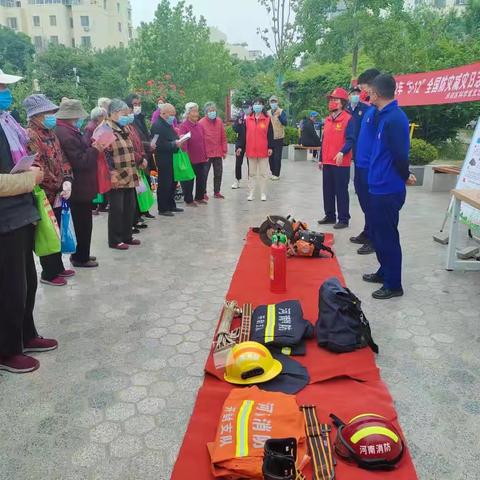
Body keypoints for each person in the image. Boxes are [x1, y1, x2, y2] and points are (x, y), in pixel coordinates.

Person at [0, 69, 58, 374]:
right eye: (1, 87)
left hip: (20, 213)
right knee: (9, 286)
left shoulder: (7, 123)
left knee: (26, 281)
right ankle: (7, 350)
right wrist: (29, 178)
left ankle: (26, 334)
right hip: (5, 218)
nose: (5, 92)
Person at [362, 74, 416, 300]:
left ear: (377, 93)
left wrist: (405, 176)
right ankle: (384, 271)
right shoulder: (382, 115)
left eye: (370, 93)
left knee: (387, 237)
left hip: (388, 188)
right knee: (380, 234)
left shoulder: (395, 118)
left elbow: (400, 155)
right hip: (377, 185)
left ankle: (394, 284)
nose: (368, 96)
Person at [24, 94, 75, 286]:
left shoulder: (50, 132)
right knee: (48, 232)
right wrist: (56, 184)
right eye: (47, 113)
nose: (51, 115)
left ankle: (58, 267)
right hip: (45, 192)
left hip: (59, 191)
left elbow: (61, 158)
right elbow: (36, 165)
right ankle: (49, 272)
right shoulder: (31, 134)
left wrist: (67, 179)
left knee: (57, 229)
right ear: (36, 115)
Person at [56, 97, 101, 268]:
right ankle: (80, 257)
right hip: (79, 186)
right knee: (82, 223)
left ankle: (83, 253)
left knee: (83, 222)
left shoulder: (68, 130)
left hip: (81, 185)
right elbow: (81, 161)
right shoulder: (65, 133)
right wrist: (95, 149)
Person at [347, 75, 378, 255]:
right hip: (359, 160)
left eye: (365, 89)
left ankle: (374, 237)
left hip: (369, 164)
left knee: (371, 203)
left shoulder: (371, 111)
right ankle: (367, 232)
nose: (362, 93)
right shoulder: (370, 110)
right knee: (363, 200)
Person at [105, 99, 140, 249]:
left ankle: (127, 235)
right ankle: (115, 239)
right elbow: (105, 154)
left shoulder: (124, 127)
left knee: (129, 207)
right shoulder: (106, 129)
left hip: (129, 173)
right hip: (117, 175)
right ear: (113, 113)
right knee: (117, 209)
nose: (127, 116)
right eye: (124, 113)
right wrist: (111, 172)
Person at [318, 88, 355, 230]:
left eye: (335, 100)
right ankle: (330, 215)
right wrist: (321, 158)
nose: (332, 103)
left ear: (342, 103)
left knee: (341, 190)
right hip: (327, 161)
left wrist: (342, 152)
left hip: (341, 163)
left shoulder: (348, 119)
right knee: (327, 190)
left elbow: (351, 140)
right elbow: (324, 140)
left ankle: (344, 219)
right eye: (331, 100)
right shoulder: (327, 120)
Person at [151, 103, 187, 216]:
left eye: (174, 114)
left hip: (172, 157)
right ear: (163, 113)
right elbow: (157, 145)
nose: (173, 117)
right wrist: (173, 144)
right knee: (164, 183)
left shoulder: (167, 124)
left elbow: (172, 137)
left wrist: (179, 139)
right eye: (171, 114)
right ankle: (163, 208)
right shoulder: (157, 125)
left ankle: (171, 204)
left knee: (173, 182)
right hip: (163, 158)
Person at [237, 98, 274, 202]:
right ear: (253, 106)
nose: (257, 106)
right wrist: (240, 147)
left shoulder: (267, 119)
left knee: (263, 174)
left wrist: (270, 147)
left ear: (262, 106)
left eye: (259, 104)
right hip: (251, 150)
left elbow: (270, 134)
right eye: (255, 104)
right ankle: (251, 193)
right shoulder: (248, 119)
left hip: (263, 151)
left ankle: (263, 193)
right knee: (251, 174)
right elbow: (243, 135)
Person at [126, 93, 155, 219]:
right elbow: (133, 142)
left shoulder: (140, 118)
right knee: (139, 187)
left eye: (139, 104)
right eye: (134, 105)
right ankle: (138, 214)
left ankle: (145, 210)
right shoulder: (129, 122)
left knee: (146, 183)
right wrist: (148, 145)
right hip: (137, 157)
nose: (137, 107)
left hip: (145, 154)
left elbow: (142, 136)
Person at [178, 102, 209, 206]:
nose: (196, 113)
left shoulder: (200, 125)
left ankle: (199, 197)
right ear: (188, 113)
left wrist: (206, 153)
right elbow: (183, 143)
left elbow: (203, 140)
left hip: (201, 157)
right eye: (194, 111)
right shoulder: (184, 126)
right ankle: (189, 200)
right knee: (189, 180)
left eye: (197, 111)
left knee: (202, 178)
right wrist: (185, 156)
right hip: (190, 158)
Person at [199, 102, 227, 199]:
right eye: (210, 111)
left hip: (218, 152)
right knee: (204, 174)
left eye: (214, 110)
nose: (212, 112)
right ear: (206, 113)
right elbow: (200, 139)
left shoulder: (219, 121)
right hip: (206, 153)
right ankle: (203, 192)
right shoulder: (201, 123)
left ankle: (217, 191)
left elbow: (223, 137)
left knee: (218, 173)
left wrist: (224, 150)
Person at [267, 95, 288, 180]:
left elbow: (285, 123)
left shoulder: (281, 111)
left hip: (279, 137)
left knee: (277, 157)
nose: (273, 103)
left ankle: (276, 174)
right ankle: (272, 172)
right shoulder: (268, 113)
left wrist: (279, 116)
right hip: (270, 138)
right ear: (269, 103)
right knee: (271, 157)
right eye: (272, 102)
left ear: (277, 102)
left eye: (274, 101)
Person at [231, 101, 251, 189]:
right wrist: (238, 124)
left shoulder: (254, 117)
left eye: (247, 107)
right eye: (244, 107)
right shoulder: (240, 117)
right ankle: (237, 180)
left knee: (250, 163)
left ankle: (251, 180)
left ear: (251, 107)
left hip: (251, 143)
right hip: (240, 143)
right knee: (238, 162)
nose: (245, 109)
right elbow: (235, 129)